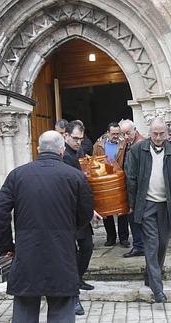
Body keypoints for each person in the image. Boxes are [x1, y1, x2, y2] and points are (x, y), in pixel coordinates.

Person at [0, 130, 94, 322]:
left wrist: (6, 246)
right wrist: (69, 229)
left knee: (25, 310)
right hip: (62, 252)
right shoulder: (75, 177)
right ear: (62, 151)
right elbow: (86, 214)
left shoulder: (17, 175)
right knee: (62, 310)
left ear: (38, 149)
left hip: (27, 253)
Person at [125, 117, 171, 303]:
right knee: (151, 245)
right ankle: (157, 289)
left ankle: (150, 276)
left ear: (168, 134)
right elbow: (131, 179)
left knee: (162, 245)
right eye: (155, 133)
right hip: (146, 205)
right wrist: (133, 204)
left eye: (162, 134)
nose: (159, 137)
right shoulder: (137, 150)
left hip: (167, 206)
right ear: (149, 132)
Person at [63, 120, 97, 315]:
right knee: (71, 254)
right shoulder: (63, 155)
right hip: (67, 213)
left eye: (80, 139)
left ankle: (78, 278)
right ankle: (73, 297)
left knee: (87, 247)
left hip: (80, 212)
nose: (78, 142)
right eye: (75, 138)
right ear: (66, 136)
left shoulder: (79, 152)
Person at [93, 122, 130, 247]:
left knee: (122, 210)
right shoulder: (98, 146)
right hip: (104, 181)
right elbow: (94, 161)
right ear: (108, 133)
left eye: (117, 133)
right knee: (107, 211)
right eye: (113, 133)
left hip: (119, 180)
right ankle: (111, 237)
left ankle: (124, 238)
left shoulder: (124, 144)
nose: (115, 136)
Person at [119, 119, 146, 258]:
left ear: (135, 129)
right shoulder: (128, 144)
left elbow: (136, 174)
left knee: (136, 219)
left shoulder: (140, 144)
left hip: (138, 190)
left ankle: (140, 246)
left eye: (128, 133)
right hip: (131, 189)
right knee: (134, 219)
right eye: (123, 134)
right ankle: (139, 245)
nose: (125, 137)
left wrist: (132, 200)